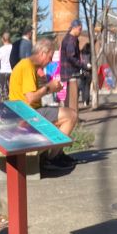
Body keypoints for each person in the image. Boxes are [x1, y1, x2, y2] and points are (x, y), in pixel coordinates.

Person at [9, 37, 77, 173]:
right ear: (42, 53)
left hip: (25, 113)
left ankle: (56, 153)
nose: (51, 61)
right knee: (71, 116)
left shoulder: (30, 66)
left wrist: (48, 87)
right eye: (50, 57)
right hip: (26, 113)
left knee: (61, 118)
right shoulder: (27, 66)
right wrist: (49, 88)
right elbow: (30, 98)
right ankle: (52, 158)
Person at [59, 18, 90, 113]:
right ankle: (73, 118)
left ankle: (72, 117)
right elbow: (71, 57)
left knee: (71, 97)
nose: (80, 32)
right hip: (70, 73)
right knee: (72, 97)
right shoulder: (70, 40)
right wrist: (84, 65)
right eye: (80, 29)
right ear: (75, 28)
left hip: (69, 72)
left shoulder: (71, 39)